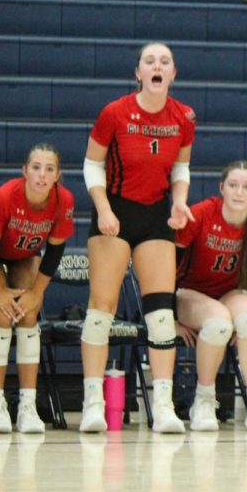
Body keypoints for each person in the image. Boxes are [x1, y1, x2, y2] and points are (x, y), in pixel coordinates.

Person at [79, 41, 195, 434]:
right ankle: (93, 401)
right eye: (150, 61)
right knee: (102, 308)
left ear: (173, 74)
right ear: (139, 73)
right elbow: (92, 164)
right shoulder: (114, 112)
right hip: (114, 209)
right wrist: (104, 209)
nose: (157, 66)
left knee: (162, 313)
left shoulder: (184, 117)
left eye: (165, 61)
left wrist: (180, 203)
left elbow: (181, 169)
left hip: (155, 214)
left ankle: (162, 406)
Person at [173, 160, 247, 433]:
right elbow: (168, 268)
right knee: (219, 324)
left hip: (228, 293)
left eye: (246, 187)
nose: (239, 192)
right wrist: (171, 318)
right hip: (189, 292)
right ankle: (203, 401)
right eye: (233, 185)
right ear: (221, 188)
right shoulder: (200, 214)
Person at [0, 143, 76, 434]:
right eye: (36, 167)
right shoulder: (6, 195)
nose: (42, 175)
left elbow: (54, 253)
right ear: (25, 171)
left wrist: (35, 293)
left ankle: (27, 406)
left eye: (49, 169)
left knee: (29, 316)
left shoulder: (63, 200)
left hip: (25, 256)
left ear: (58, 175)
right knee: (2, 315)